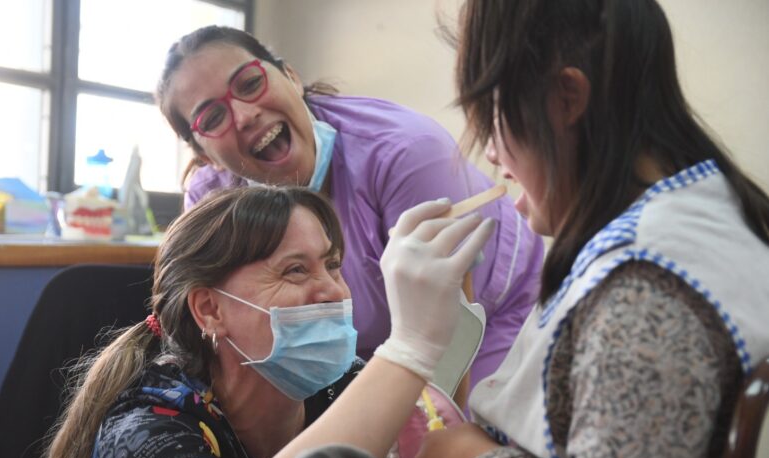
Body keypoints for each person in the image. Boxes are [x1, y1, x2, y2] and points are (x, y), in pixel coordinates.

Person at [250, 1, 769, 458]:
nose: (491, 152)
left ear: (566, 100)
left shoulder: (645, 284)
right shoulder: (722, 210)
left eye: (489, 118)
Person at [21, 185, 499, 458]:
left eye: (333, 265)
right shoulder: (148, 428)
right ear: (210, 310)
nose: (332, 291)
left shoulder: (341, 388)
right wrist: (410, 346)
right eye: (295, 271)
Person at [156, 25, 544, 394]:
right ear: (204, 152)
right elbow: (226, 339)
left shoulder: (405, 152)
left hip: (488, 315)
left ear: (290, 76)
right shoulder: (214, 202)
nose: (243, 115)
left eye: (251, 83)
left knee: (445, 449)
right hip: (360, 355)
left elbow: (448, 332)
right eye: (213, 118)